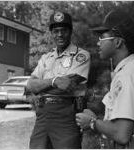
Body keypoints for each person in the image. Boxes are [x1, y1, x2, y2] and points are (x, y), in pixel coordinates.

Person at [76, 9, 134, 149]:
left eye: (102, 37)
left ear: (118, 42)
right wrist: (98, 120)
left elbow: (122, 134)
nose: (98, 43)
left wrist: (92, 122)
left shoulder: (129, 75)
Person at [26, 11, 91, 149]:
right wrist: (54, 81)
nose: (60, 35)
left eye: (64, 30)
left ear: (70, 31)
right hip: (43, 114)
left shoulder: (81, 55)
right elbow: (30, 85)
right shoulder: (46, 58)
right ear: (51, 33)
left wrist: (41, 85)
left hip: (66, 114)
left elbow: (68, 84)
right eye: (56, 31)